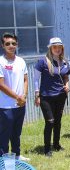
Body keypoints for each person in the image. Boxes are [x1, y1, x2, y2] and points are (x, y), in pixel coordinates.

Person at [33, 37, 70, 157]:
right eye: (55, 47)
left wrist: (67, 85)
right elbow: (35, 79)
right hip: (46, 97)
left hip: (60, 96)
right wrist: (37, 94)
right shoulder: (42, 62)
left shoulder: (64, 62)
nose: (57, 49)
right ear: (50, 48)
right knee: (50, 122)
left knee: (58, 121)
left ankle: (56, 145)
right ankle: (47, 148)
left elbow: (65, 76)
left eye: (59, 47)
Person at [0, 32, 30, 161]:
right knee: (4, 133)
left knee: (16, 132)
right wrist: (18, 97)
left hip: (20, 104)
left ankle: (17, 155)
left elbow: (25, 79)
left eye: (13, 43)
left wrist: (23, 96)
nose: (11, 46)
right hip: (5, 105)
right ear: (3, 46)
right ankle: (4, 158)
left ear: (17, 45)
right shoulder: (0, 61)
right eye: (7, 44)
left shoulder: (21, 61)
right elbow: (1, 85)